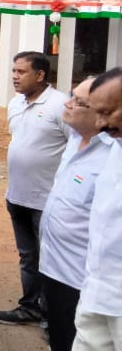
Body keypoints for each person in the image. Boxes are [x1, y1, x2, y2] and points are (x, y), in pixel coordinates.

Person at [37, 77, 111, 351]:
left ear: (103, 111)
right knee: (58, 335)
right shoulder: (75, 139)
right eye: (71, 95)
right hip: (53, 266)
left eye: (78, 102)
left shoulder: (112, 153)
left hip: (82, 277)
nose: (67, 104)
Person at [0, 51, 70, 326]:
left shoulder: (61, 105)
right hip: (17, 196)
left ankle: (54, 317)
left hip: (48, 199)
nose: (14, 77)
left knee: (51, 260)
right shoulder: (15, 104)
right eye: (13, 71)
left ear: (40, 75)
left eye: (21, 72)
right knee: (28, 257)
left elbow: (76, 148)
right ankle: (30, 307)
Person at [72, 67, 122, 351]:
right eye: (96, 112)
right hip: (96, 291)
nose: (100, 123)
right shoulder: (114, 146)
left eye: (108, 112)